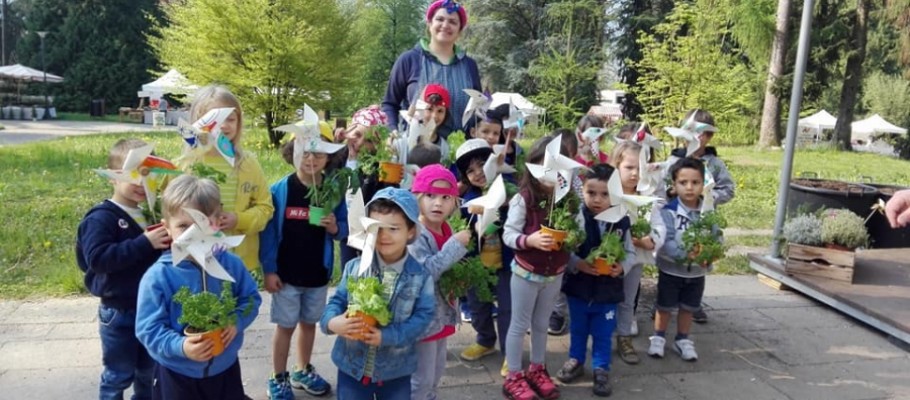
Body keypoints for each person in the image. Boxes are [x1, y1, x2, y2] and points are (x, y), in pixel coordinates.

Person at [135, 175, 262, 400]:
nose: (193, 234)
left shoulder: (230, 264)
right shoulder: (158, 277)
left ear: (218, 220)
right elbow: (148, 329)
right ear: (167, 228)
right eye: (183, 226)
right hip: (177, 373)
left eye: (202, 224)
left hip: (225, 367)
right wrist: (181, 346)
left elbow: (251, 298)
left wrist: (236, 320)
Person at [76, 138, 170, 400]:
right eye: (133, 174)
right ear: (113, 177)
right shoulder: (102, 217)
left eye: (148, 173)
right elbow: (98, 258)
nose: (142, 182)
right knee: (119, 374)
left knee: (148, 371)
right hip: (119, 311)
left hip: (150, 308)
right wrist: (144, 242)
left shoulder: (150, 213)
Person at [320, 187, 436, 399]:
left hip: (396, 370)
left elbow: (424, 317)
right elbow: (336, 301)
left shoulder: (420, 276)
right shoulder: (355, 267)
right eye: (376, 228)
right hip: (351, 366)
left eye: (393, 228)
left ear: (410, 231)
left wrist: (388, 336)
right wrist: (331, 323)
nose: (384, 236)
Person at [259, 134, 349, 399]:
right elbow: (268, 234)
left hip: (317, 273)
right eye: (305, 152)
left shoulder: (333, 190)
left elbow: (343, 228)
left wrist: (334, 226)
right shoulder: (279, 190)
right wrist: (269, 269)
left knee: (309, 323)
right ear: (292, 152)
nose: (311, 159)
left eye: (319, 154)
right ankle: (278, 376)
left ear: (328, 158)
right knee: (285, 326)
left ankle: (301, 369)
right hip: (285, 275)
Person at [501, 136, 577, 400]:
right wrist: (529, 240)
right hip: (526, 271)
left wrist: (572, 236)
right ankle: (514, 375)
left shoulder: (568, 200)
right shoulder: (524, 199)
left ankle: (537, 368)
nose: (553, 175)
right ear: (533, 167)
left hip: (554, 273)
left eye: (560, 169)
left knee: (542, 323)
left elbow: (577, 229)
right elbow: (508, 234)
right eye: (546, 167)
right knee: (519, 325)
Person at [555, 164, 635, 397]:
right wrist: (576, 263)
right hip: (579, 288)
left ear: (615, 194)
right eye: (591, 193)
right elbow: (565, 248)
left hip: (607, 290)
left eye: (605, 194)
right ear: (583, 192)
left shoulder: (621, 221)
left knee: (603, 332)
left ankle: (601, 368)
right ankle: (576, 360)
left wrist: (621, 268)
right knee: (578, 329)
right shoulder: (576, 217)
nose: (597, 199)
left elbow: (630, 252)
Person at [178, 85, 274, 274]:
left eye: (230, 118)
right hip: (196, 258)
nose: (223, 125)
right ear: (198, 123)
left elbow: (266, 208)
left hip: (239, 261)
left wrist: (239, 219)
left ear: (239, 122)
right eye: (215, 120)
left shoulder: (248, 164)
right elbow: (172, 210)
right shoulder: (185, 165)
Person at [661, 109, 735, 324]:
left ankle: (693, 303)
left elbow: (729, 190)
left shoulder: (715, 164)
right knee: (674, 252)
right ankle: (666, 302)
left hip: (702, 219)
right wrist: (672, 191)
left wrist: (709, 195)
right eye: (693, 131)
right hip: (677, 217)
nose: (699, 137)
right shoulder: (674, 160)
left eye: (705, 133)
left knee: (699, 254)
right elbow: (664, 184)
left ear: (710, 136)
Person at [648, 157, 721, 362]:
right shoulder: (669, 211)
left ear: (703, 185)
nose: (689, 187)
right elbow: (668, 241)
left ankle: (682, 339)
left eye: (695, 182)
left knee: (689, 307)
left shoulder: (708, 211)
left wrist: (713, 252)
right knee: (665, 305)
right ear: (674, 184)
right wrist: (684, 254)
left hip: (697, 271)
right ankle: (658, 337)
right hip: (671, 270)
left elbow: (717, 234)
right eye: (683, 182)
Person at [408, 164, 471, 400]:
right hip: (424, 319)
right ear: (417, 198)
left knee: (436, 371)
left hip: (442, 313)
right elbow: (425, 272)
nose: (437, 203)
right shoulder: (415, 234)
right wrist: (456, 246)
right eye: (430, 196)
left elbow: (449, 267)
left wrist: (461, 277)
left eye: (446, 197)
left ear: (455, 202)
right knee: (421, 379)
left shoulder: (446, 227)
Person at [453, 139, 515, 378]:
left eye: (482, 164)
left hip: (506, 262)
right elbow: (462, 230)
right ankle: (485, 340)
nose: (478, 173)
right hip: (478, 264)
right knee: (478, 305)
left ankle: (511, 351)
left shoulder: (508, 187)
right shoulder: (467, 199)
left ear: (495, 163)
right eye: (470, 170)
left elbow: (517, 215)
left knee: (509, 308)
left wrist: (500, 208)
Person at [382, 0, 481, 138]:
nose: (445, 25)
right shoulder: (409, 60)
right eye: (439, 19)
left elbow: (478, 111)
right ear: (429, 24)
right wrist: (393, 132)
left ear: (459, 31)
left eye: (453, 22)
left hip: (460, 153)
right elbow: (389, 104)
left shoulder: (469, 66)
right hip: (415, 151)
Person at [610, 141, 661, 365]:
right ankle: (599, 338)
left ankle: (624, 338)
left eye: (640, 168)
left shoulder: (648, 199)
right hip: (607, 258)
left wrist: (649, 240)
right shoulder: (607, 195)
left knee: (627, 300)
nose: (635, 173)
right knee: (602, 299)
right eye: (629, 167)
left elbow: (658, 228)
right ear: (616, 165)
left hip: (634, 260)